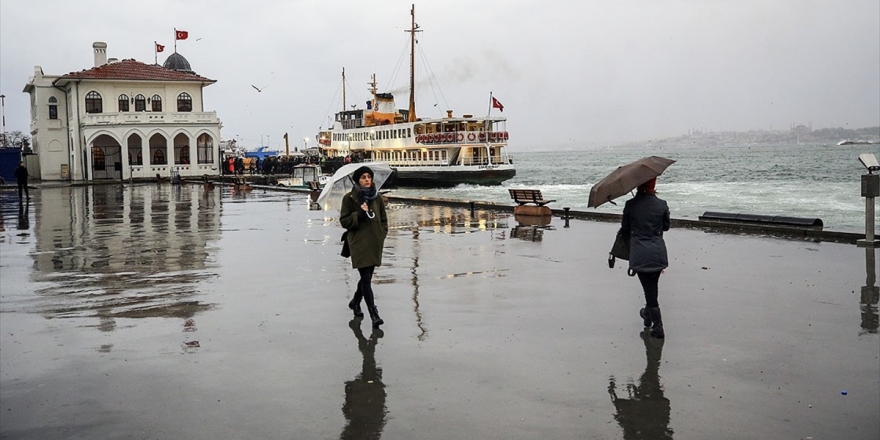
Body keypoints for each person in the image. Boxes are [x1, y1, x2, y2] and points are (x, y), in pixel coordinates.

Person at [340, 166, 388, 328]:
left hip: (374, 242)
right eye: (363, 177)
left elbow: (383, 220)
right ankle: (374, 314)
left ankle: (355, 301)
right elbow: (344, 221)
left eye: (369, 177)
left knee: (366, 277)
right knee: (366, 279)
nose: (367, 180)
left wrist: (381, 234)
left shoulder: (377, 198)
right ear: (357, 180)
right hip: (358, 243)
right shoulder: (350, 199)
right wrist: (358, 214)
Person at [621, 177, 670, 338]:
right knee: (651, 287)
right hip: (658, 251)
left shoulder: (630, 205)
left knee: (649, 289)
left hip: (640, 252)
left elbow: (625, 229)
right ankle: (647, 316)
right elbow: (666, 227)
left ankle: (658, 326)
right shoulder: (662, 204)